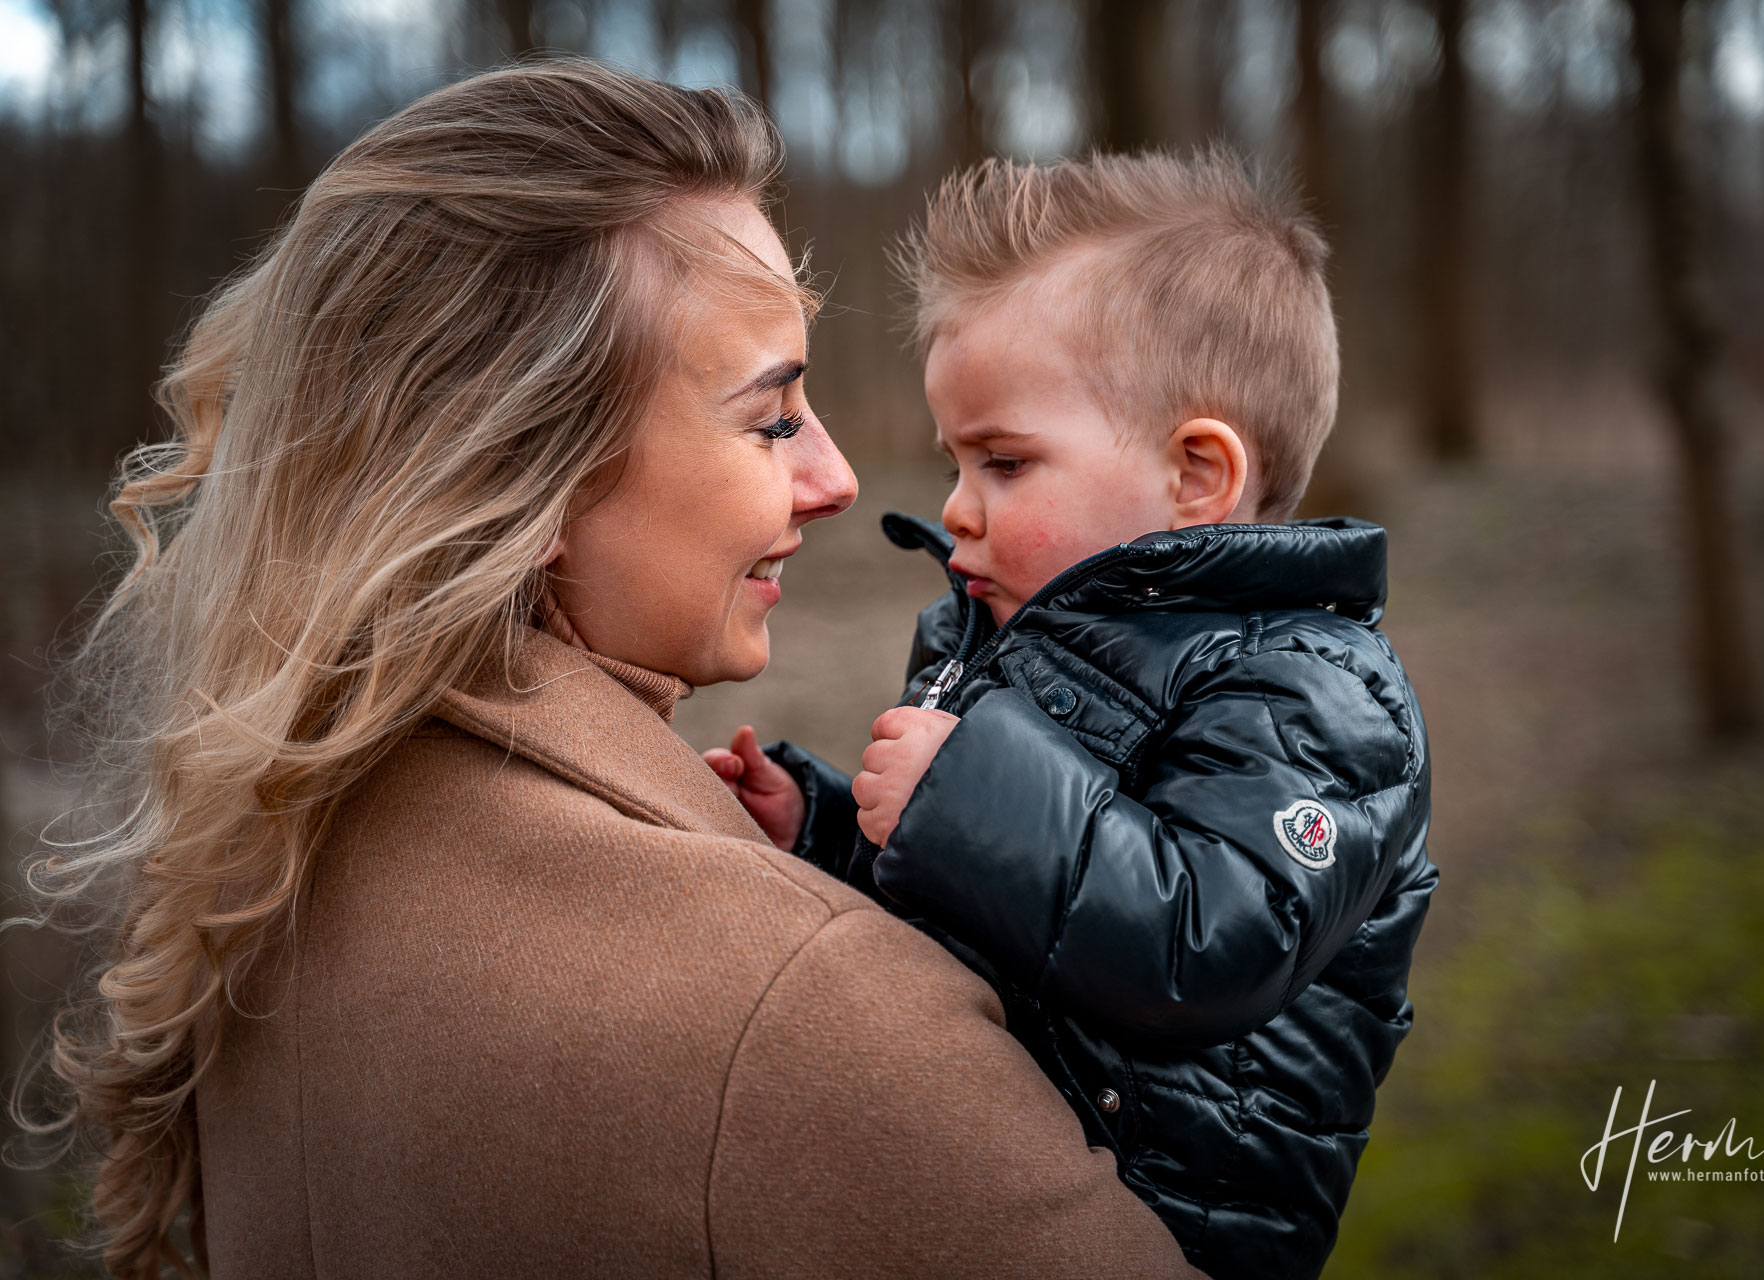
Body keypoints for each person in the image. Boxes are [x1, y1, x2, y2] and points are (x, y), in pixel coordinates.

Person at [21, 64, 1200, 1280]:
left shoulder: (264, 860)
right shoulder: (802, 1007)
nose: (837, 480)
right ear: (520, 472)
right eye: (773, 419)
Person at [705, 151, 1440, 1279]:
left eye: (1005, 461)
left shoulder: (1323, 691)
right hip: (995, 1182)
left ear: (1197, 474)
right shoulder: (1000, 629)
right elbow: (985, 910)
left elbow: (1201, 944)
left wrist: (960, 796)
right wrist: (830, 826)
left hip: (1163, 1225)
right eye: (957, 459)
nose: (955, 506)